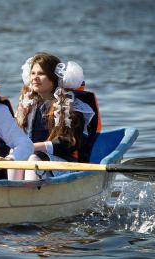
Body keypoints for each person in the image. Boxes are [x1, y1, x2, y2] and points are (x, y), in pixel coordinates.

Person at [8, 52, 98, 180]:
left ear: (54, 77)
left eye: (41, 74)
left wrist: (35, 147)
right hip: (30, 156)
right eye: (33, 73)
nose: (35, 78)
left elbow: (69, 143)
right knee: (15, 155)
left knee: (34, 158)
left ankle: (31, 194)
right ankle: (13, 192)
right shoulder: (27, 104)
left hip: (62, 161)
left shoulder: (70, 106)